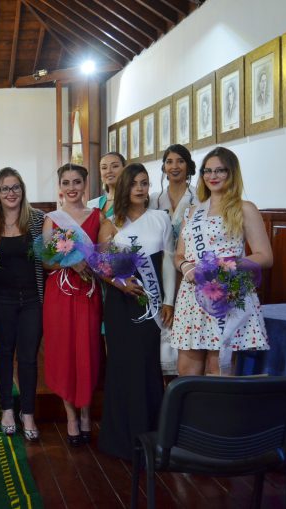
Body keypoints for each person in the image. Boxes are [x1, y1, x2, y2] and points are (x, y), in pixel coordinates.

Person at [97, 164, 175, 460]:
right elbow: (100, 265)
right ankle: (120, 440)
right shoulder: (111, 223)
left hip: (152, 303)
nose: (140, 189)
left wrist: (168, 300)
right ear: (124, 188)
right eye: (134, 184)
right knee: (122, 367)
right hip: (121, 304)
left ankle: (152, 437)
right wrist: (119, 283)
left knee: (148, 367)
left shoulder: (160, 219)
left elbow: (168, 261)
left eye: (145, 183)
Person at [171, 147, 272, 376]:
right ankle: (190, 414)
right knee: (186, 370)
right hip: (192, 296)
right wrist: (186, 267)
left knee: (218, 369)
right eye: (207, 171)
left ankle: (218, 413)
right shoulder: (192, 212)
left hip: (225, 293)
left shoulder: (244, 208)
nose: (212, 176)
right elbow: (179, 255)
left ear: (231, 173)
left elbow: (265, 256)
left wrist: (224, 264)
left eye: (220, 171)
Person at [42, 164, 103, 447]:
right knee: (65, 351)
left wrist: (87, 262)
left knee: (88, 350)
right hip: (60, 292)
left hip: (88, 291)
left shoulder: (98, 217)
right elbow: (45, 261)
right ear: (60, 186)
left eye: (77, 181)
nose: (71, 187)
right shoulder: (52, 219)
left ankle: (88, 413)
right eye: (66, 182)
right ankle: (71, 417)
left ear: (85, 184)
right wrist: (70, 261)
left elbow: (105, 256)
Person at [0, 168, 44, 441]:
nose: (11, 193)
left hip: (32, 299)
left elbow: (48, 260)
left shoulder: (38, 220)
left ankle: (28, 412)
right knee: (4, 352)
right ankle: (8, 408)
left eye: (15, 187)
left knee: (29, 357)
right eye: (5, 188)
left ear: (22, 190)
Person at [149, 145, 197, 375]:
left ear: (188, 165)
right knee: (163, 330)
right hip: (160, 272)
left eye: (180, 161)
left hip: (191, 273)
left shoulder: (200, 197)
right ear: (164, 167)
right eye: (169, 161)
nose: (174, 166)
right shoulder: (153, 200)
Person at [87, 152, 125, 218]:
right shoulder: (91, 204)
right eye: (104, 168)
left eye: (115, 166)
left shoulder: (132, 202)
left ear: (125, 169)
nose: (109, 171)